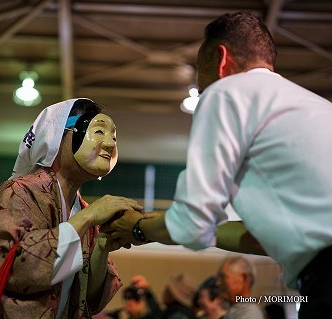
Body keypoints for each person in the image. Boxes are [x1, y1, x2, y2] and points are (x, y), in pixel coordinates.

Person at [105, 11, 332, 319]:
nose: (200, 87)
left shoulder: (227, 92)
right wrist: (165, 218)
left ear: (221, 59)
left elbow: (193, 225)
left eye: (200, 72)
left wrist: (136, 227)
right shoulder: (317, 107)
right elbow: (262, 239)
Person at [0, 98, 142, 318]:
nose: (109, 144)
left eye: (113, 136)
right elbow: (16, 268)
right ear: (57, 136)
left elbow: (87, 299)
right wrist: (87, 217)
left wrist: (101, 247)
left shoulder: (83, 210)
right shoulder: (19, 192)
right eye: (98, 132)